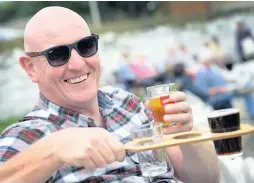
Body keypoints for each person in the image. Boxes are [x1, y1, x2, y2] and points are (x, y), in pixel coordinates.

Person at [0, 6, 220, 183]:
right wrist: (54, 149)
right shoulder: (26, 136)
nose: (78, 64)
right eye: (57, 54)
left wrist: (187, 135)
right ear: (30, 68)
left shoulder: (129, 103)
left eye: (86, 46)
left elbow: (207, 179)